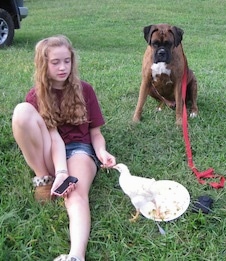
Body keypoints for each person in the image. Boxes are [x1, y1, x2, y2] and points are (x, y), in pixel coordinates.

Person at [12, 35, 116, 261]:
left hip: (79, 150)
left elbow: (95, 133)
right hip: (50, 150)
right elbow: (53, 137)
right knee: (22, 111)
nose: (62, 67)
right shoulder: (37, 94)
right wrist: (60, 171)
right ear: (43, 64)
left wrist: (101, 152)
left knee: (75, 194)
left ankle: (76, 256)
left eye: (67, 61)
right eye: (55, 62)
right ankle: (43, 178)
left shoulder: (85, 90)